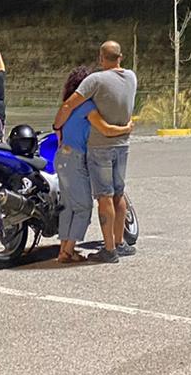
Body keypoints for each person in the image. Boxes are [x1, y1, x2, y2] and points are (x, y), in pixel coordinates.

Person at [58, 40, 136, 263]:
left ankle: (109, 250)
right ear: (120, 57)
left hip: (100, 146)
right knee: (119, 194)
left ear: (101, 58)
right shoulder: (131, 77)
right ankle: (120, 243)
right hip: (123, 144)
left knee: (105, 196)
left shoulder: (95, 80)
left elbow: (69, 105)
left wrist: (57, 127)